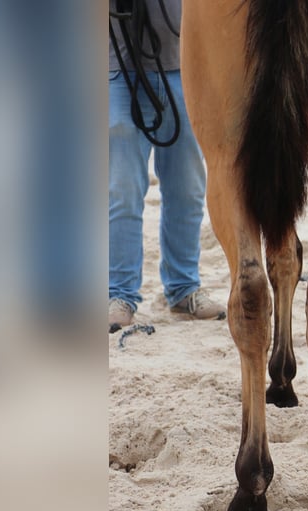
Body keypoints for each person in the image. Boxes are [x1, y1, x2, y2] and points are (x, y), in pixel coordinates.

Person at [108, 0, 225, 332]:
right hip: (117, 71)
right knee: (122, 190)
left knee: (187, 188)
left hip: (182, 66)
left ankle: (184, 287)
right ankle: (119, 294)